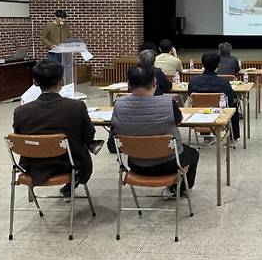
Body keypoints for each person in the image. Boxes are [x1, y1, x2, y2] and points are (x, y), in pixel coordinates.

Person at [111, 64, 199, 197]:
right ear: (154, 82)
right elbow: (178, 121)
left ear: (128, 84)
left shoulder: (118, 105)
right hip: (170, 164)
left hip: (136, 164)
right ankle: (178, 190)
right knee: (193, 153)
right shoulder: (168, 103)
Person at [13, 59, 95, 198]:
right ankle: (70, 187)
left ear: (35, 82)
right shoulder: (76, 107)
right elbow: (88, 136)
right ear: (61, 81)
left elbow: (20, 139)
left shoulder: (20, 112)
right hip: (69, 166)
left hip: (33, 167)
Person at [189, 53, 241, 142]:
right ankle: (234, 136)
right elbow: (230, 101)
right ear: (218, 65)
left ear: (203, 65)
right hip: (219, 113)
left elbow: (190, 96)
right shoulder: (223, 82)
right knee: (234, 106)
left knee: (201, 105)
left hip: (200, 115)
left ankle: (206, 135)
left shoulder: (194, 81)